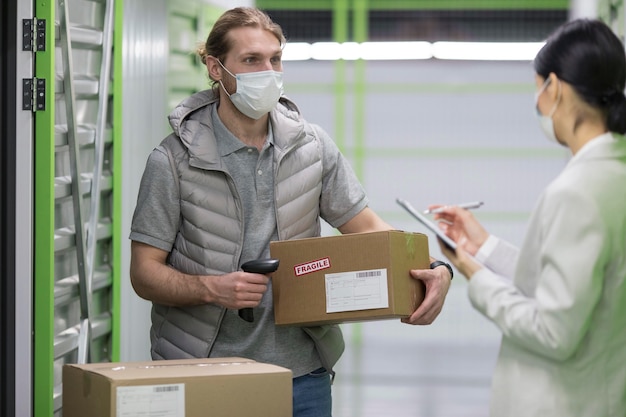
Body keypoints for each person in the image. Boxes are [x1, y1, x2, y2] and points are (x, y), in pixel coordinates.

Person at [129, 7, 452, 417]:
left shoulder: (311, 148)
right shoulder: (172, 161)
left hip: (301, 376)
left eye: (275, 59)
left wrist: (436, 267)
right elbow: (143, 272)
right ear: (215, 68)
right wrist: (212, 289)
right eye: (251, 60)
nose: (268, 71)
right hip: (201, 372)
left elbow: (370, 231)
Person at [430, 19, 626, 417]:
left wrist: (474, 273)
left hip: (560, 402)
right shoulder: (613, 175)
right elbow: (571, 284)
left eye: (538, 89)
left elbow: (553, 331)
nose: (538, 103)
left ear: (554, 88)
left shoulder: (577, 191)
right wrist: (484, 247)